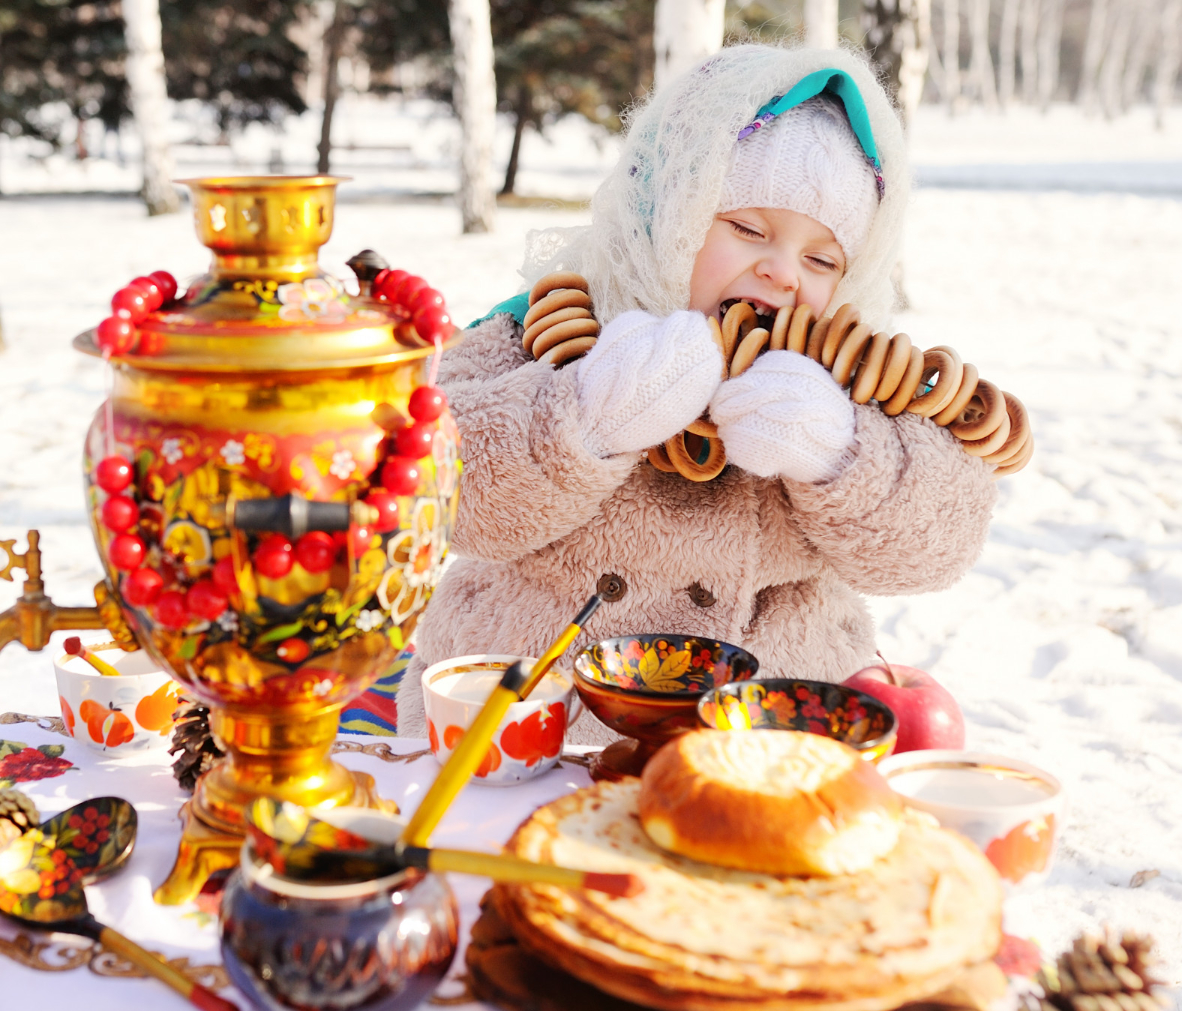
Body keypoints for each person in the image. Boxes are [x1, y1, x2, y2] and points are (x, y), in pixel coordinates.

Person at [396, 44, 999, 743]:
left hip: (767, 736)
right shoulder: (547, 327)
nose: (780, 272)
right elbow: (439, 488)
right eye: (747, 229)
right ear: (671, 213)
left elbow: (940, 540)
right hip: (533, 729)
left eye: (822, 259)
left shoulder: (852, 374)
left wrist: (840, 452)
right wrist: (582, 415)